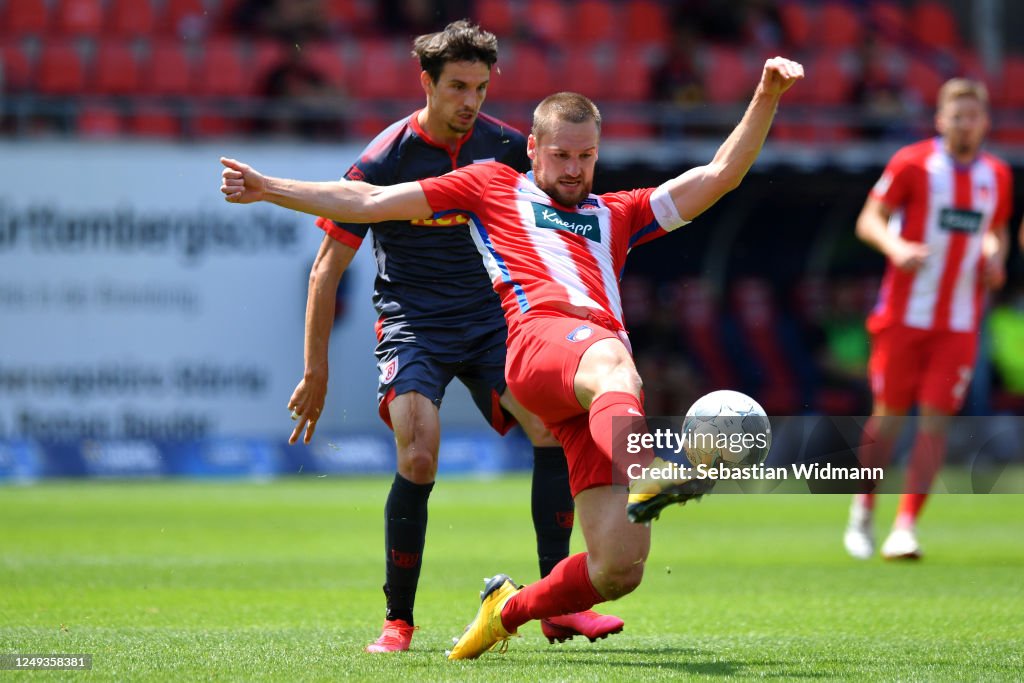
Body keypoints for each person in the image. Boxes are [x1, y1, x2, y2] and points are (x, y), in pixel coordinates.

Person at [220, 55, 804, 658]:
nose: (574, 170)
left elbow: (721, 174)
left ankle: (507, 609)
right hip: (539, 344)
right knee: (613, 362)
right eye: (561, 156)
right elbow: (367, 201)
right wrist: (269, 189)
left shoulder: (618, 213)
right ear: (532, 148)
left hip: (592, 392)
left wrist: (765, 94)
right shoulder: (491, 186)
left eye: (586, 157)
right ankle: (648, 470)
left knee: (618, 567)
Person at [283, 21, 622, 653]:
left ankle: (557, 603)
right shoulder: (386, 158)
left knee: (548, 427)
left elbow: (565, 219)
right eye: (458, 86)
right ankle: (398, 621)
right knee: (418, 452)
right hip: (414, 323)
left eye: (482, 87)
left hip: (495, 320)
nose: (471, 100)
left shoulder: (508, 148)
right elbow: (327, 267)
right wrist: (317, 370)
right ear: (427, 84)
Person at [843, 78, 1013, 561]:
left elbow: (994, 230)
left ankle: (906, 527)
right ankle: (863, 509)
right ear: (940, 120)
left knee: (935, 422)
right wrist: (897, 248)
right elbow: (869, 219)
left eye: (973, 116)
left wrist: (995, 256)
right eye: (956, 116)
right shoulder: (913, 163)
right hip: (903, 316)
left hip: (959, 322)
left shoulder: (996, 175)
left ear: (984, 122)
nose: (965, 124)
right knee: (889, 416)